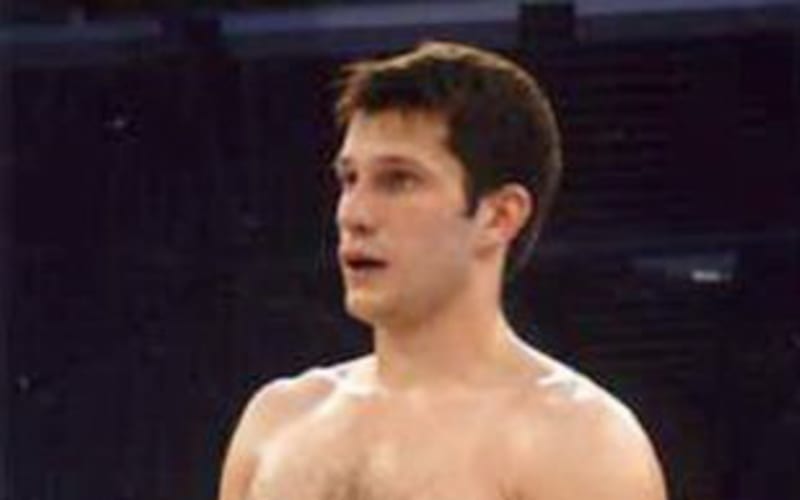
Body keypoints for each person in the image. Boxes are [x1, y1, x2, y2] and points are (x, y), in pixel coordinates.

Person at [218, 41, 667, 500]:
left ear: (499, 216)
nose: (353, 214)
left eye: (398, 180)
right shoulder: (277, 421)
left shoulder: (580, 442)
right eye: (350, 179)